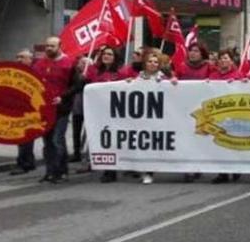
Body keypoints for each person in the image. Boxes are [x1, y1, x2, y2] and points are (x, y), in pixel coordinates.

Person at [128, 50, 177, 184]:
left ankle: (150, 171)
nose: (153, 64)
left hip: (159, 116)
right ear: (145, 63)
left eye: (156, 62)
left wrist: (173, 81)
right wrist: (128, 83)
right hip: (143, 117)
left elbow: (173, 90)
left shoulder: (163, 77)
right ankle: (143, 169)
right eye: (150, 61)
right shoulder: (139, 76)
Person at [34, 37, 76, 184]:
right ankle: (50, 171)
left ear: (60, 46)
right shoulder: (39, 64)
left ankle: (61, 171)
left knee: (57, 140)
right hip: (44, 109)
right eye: (47, 46)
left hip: (61, 109)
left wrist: (62, 98)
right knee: (47, 142)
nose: (48, 48)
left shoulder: (70, 63)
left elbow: (75, 86)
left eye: (52, 46)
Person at [84, 48, 125, 183]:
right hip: (96, 112)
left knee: (110, 141)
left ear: (115, 57)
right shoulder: (94, 71)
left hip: (113, 113)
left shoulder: (120, 73)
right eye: (104, 54)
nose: (106, 56)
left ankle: (110, 171)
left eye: (110, 54)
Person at [175, 42, 213, 183]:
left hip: (202, 109)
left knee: (199, 138)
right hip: (184, 107)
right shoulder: (182, 67)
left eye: (196, 51)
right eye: (191, 50)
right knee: (187, 138)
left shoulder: (209, 67)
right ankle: (188, 168)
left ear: (202, 53)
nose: (193, 53)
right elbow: (175, 80)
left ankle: (198, 166)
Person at [208, 48, 243, 184]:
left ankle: (236, 168)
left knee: (233, 141)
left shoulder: (238, 75)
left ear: (231, 61)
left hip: (233, 112)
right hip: (218, 113)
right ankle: (222, 172)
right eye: (221, 58)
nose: (223, 61)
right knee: (219, 142)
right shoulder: (213, 76)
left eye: (226, 58)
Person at [10, 49, 37, 175]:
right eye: (17, 56)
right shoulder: (15, 72)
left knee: (25, 137)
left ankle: (23, 163)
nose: (18, 59)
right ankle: (28, 161)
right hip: (18, 108)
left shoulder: (35, 72)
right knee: (22, 138)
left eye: (22, 57)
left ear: (30, 59)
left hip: (30, 110)